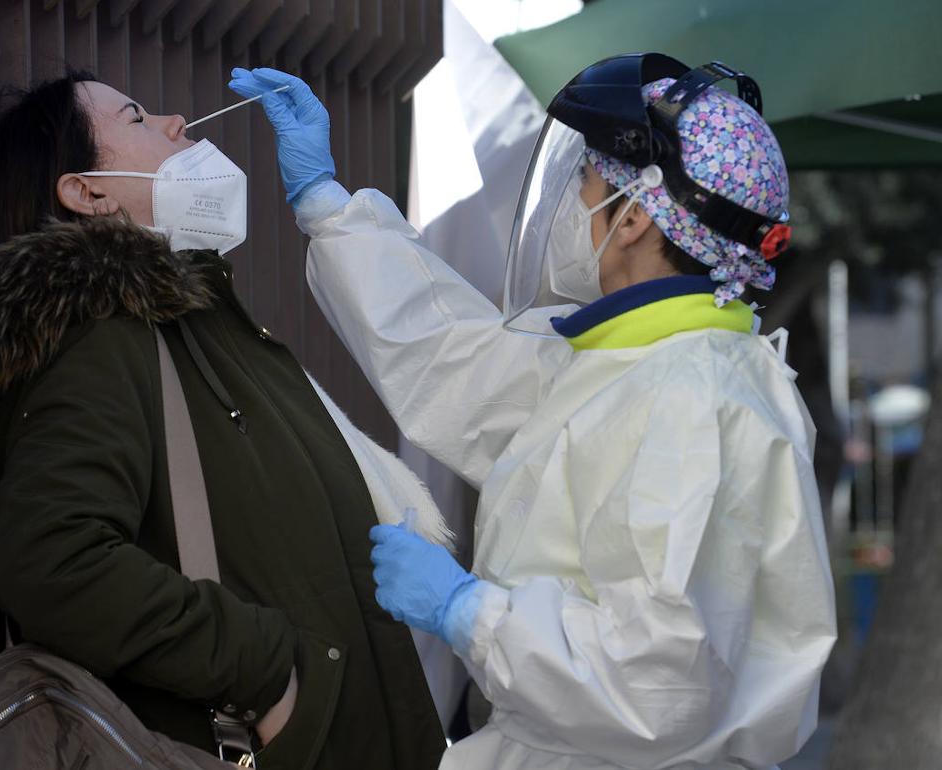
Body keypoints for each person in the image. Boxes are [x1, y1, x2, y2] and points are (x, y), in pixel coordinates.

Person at [231, 54, 837, 770]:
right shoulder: (636, 361)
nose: (570, 203)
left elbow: (658, 683)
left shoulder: (692, 403)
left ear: (636, 216)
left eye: (582, 180)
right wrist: (329, 208)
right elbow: (459, 362)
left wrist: (467, 612)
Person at [0, 71, 447, 770]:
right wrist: (270, 674)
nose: (176, 121)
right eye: (136, 118)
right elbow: (55, 561)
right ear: (86, 192)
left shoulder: (200, 327)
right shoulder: (99, 341)